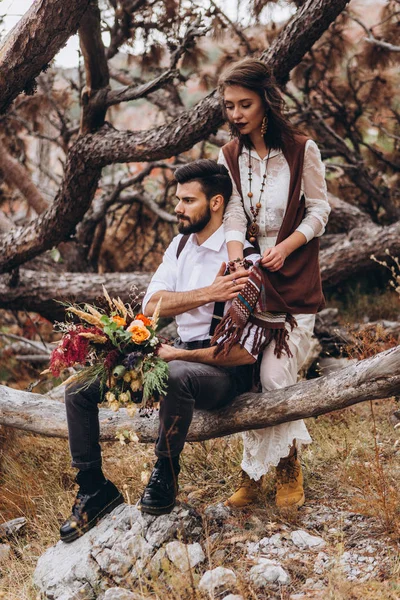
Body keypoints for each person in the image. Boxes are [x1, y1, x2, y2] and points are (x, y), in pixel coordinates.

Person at [60, 160, 260, 542]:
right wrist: (208, 294)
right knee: (79, 387)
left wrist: (179, 354)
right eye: (177, 199)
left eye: (188, 200)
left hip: (219, 372)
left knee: (175, 374)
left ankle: (165, 472)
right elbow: (151, 305)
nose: (178, 208)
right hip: (174, 356)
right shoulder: (180, 244)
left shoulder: (244, 261)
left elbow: (245, 354)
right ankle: (93, 489)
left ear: (216, 203)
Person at [215, 58, 331, 509]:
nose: (237, 114)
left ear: (266, 100)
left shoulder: (303, 150)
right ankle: (253, 476)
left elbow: (321, 211)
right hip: (252, 280)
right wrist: (234, 260)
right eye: (229, 106)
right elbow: (233, 213)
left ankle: (282, 469)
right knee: (249, 378)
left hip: (296, 279)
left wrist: (286, 246)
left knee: (276, 375)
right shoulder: (230, 156)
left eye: (245, 104)